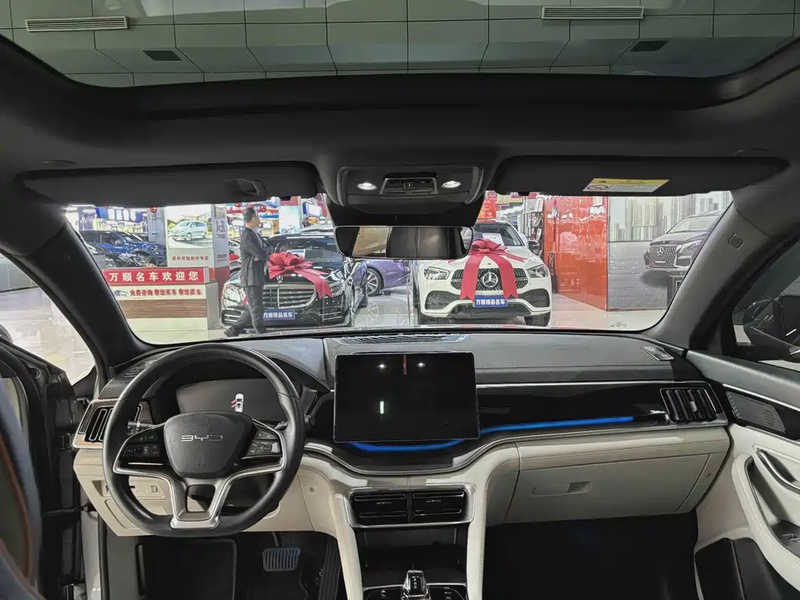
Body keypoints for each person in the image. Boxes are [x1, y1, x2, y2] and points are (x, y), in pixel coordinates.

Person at [225, 207, 268, 337]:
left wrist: (267, 252)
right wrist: (268, 256)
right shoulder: (247, 236)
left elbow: (267, 247)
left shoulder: (255, 234)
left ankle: (234, 329)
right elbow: (260, 253)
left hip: (256, 276)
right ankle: (261, 333)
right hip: (251, 277)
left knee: (253, 306)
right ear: (253, 218)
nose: (259, 219)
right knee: (256, 307)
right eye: (258, 217)